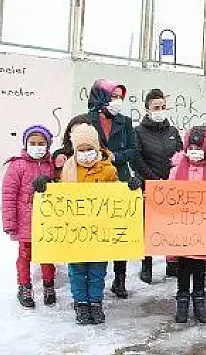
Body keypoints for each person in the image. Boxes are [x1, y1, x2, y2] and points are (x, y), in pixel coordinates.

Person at [33, 123, 141, 325]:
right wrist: (43, 186)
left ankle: (95, 303)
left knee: (97, 272)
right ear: (74, 150)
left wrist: (131, 187)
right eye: (80, 150)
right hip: (74, 235)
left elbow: (117, 195)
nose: (85, 154)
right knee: (77, 272)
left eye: (89, 149)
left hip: (99, 234)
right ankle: (81, 303)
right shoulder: (68, 169)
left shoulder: (108, 170)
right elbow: (58, 195)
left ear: (97, 148)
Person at [86, 78, 138, 299]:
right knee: (98, 231)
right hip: (94, 181)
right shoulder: (86, 121)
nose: (117, 101)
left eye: (119, 97)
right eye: (113, 96)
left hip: (119, 178)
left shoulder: (125, 122)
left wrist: (116, 156)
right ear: (101, 97)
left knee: (119, 232)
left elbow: (133, 150)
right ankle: (95, 280)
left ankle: (120, 279)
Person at [168, 126, 206, 323]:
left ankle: (199, 300)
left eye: (199, 147)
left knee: (200, 266)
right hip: (183, 228)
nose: (194, 151)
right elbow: (168, 197)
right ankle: (182, 300)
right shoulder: (176, 171)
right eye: (191, 147)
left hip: (204, 229)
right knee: (183, 265)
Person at [2, 125, 56, 308]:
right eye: (32, 143)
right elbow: (9, 195)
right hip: (25, 222)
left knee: (47, 255)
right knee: (25, 255)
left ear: (48, 145)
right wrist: (10, 222)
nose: (37, 147)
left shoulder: (51, 165)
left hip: (47, 221)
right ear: (26, 144)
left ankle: (49, 285)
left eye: (41, 143)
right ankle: (24, 286)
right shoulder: (17, 166)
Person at [133, 89, 183, 284]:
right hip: (149, 186)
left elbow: (180, 155)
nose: (160, 111)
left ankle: (172, 262)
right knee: (149, 227)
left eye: (163, 107)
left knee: (171, 225)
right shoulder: (138, 132)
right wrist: (153, 180)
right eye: (156, 108)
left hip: (170, 187)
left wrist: (172, 178)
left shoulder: (172, 132)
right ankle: (146, 264)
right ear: (147, 109)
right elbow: (137, 159)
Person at [52, 114, 93, 178]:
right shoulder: (62, 155)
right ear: (69, 134)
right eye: (76, 132)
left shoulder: (98, 154)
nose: (79, 136)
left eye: (83, 132)